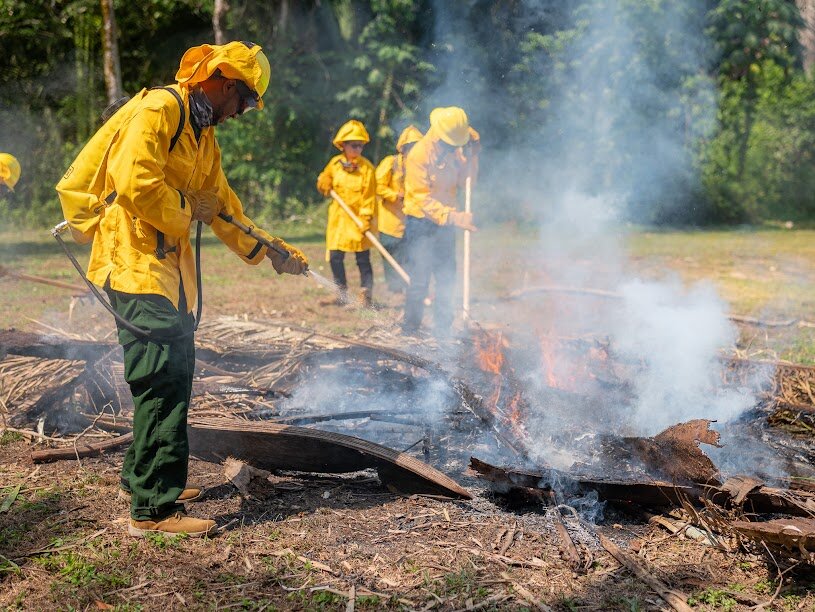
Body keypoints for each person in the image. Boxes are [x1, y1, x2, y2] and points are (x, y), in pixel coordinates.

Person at [56, 41, 308, 538]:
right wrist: (188, 208)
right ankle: (153, 510)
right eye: (246, 100)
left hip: (160, 270)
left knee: (166, 372)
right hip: (132, 262)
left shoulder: (201, 136)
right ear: (222, 83)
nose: (243, 113)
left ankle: (140, 478)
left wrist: (269, 249)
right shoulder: (160, 109)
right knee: (165, 378)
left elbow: (222, 206)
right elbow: (133, 183)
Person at [401, 107, 479, 337]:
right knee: (420, 280)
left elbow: (467, 182)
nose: (455, 148)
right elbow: (420, 198)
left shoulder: (454, 152)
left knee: (447, 277)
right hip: (421, 224)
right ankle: (410, 330)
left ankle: (443, 330)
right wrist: (454, 217)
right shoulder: (418, 155)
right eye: (452, 144)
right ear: (439, 135)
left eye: (457, 145)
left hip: (446, 224)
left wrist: (474, 154)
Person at [316, 120, 377, 307]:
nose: (358, 149)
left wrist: (366, 219)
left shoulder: (367, 168)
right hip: (339, 219)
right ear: (343, 145)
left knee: (362, 259)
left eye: (361, 145)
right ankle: (340, 295)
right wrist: (323, 183)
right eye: (354, 145)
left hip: (358, 219)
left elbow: (369, 197)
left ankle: (365, 297)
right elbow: (324, 183)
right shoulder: (334, 164)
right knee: (335, 257)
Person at [375, 125, 423, 293]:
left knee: (411, 256)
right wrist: (395, 195)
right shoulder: (391, 163)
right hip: (390, 221)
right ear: (403, 148)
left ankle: (409, 286)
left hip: (412, 221)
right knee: (390, 255)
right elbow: (378, 186)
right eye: (410, 147)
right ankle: (395, 288)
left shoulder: (421, 166)